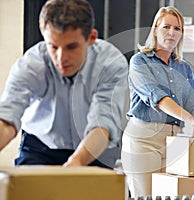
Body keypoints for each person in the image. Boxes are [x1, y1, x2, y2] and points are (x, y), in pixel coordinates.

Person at [0, 0, 128, 169]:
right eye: (53, 47)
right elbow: (7, 118)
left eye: (71, 47)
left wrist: (75, 164)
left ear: (91, 38)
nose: (61, 58)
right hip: (41, 148)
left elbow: (102, 124)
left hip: (95, 148)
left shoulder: (111, 63)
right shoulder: (31, 64)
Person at [121, 6, 194, 197]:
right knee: (147, 196)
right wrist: (190, 120)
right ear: (156, 29)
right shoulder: (139, 61)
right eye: (166, 27)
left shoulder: (184, 69)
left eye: (178, 29)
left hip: (176, 142)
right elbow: (157, 97)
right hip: (144, 141)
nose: (172, 33)